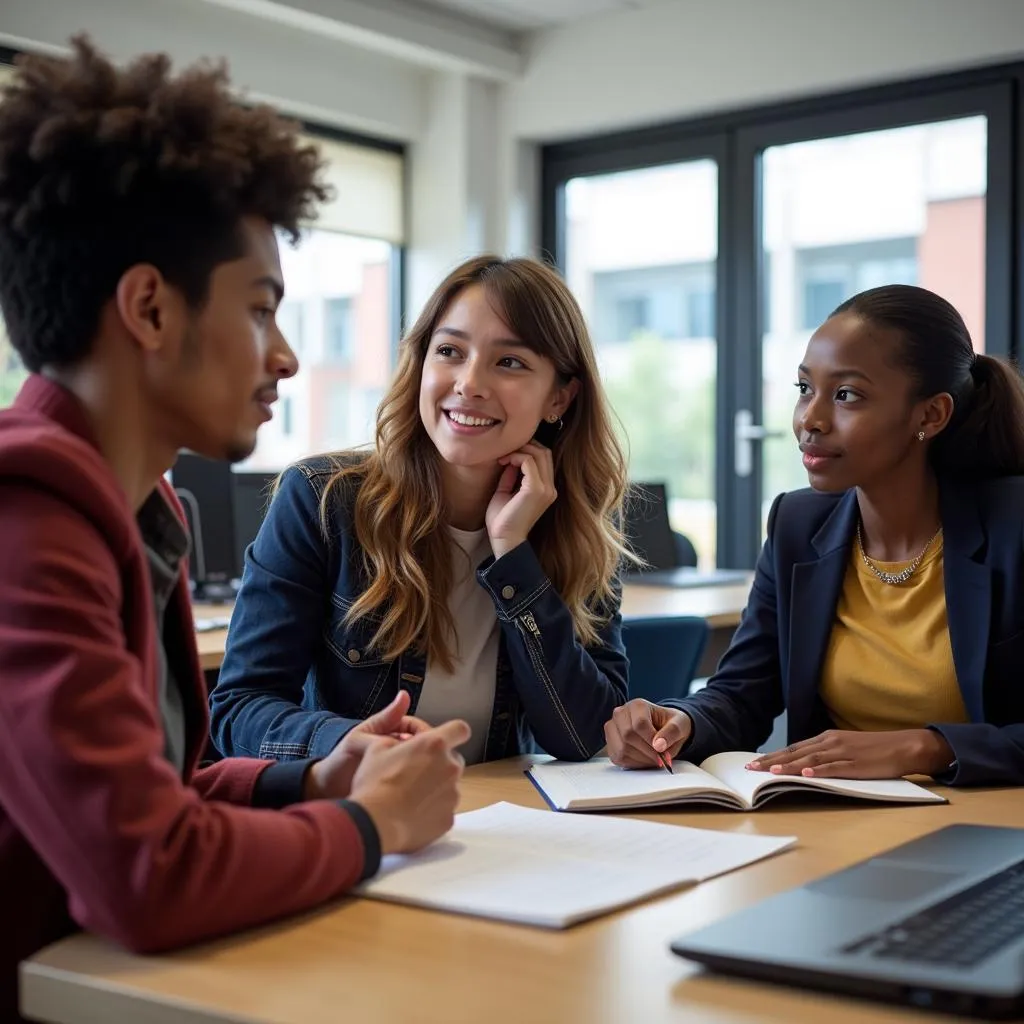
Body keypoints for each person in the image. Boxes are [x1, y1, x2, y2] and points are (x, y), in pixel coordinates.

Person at [0, 39, 468, 1021]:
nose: (287, 358)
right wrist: (368, 819)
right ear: (149, 308)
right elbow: (147, 870)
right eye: (262, 311)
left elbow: (155, 794)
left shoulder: (132, 505)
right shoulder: (27, 522)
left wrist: (314, 776)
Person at [210, 255, 630, 766]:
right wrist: (348, 746)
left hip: (504, 823)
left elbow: (585, 736)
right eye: (450, 351)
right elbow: (239, 709)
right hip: (365, 813)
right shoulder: (323, 500)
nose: (469, 383)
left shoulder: (577, 529)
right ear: (422, 364)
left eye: (510, 362)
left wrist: (514, 557)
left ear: (559, 398)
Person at [606, 284, 1024, 787]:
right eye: (805, 389)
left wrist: (928, 746)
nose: (810, 420)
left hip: (985, 833)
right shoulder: (797, 525)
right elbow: (743, 693)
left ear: (930, 415)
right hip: (835, 818)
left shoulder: (1011, 524)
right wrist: (680, 721)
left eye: (846, 395)